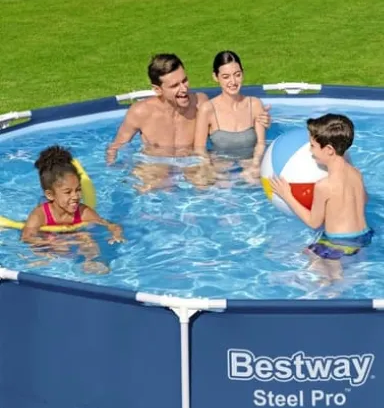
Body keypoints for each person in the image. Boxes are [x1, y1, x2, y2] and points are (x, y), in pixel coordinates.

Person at [106, 53, 271, 192]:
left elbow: (227, 122)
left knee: (211, 185)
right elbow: (116, 148)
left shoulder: (200, 103)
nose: (183, 89)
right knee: (151, 189)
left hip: (192, 163)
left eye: (184, 81)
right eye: (175, 86)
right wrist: (112, 172)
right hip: (156, 164)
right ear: (158, 89)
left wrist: (261, 120)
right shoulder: (140, 112)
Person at [270, 114, 373, 281]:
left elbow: (314, 222)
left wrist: (287, 195)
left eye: (312, 146)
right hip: (364, 237)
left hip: (337, 244)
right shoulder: (356, 173)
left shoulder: (324, 185)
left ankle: (331, 286)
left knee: (322, 276)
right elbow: (365, 199)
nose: (310, 151)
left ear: (329, 150)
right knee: (306, 252)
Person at [22, 146, 124, 272]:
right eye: (68, 192)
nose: (75, 196)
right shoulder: (40, 214)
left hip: (74, 236)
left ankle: (91, 261)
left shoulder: (83, 212)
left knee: (86, 237)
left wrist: (116, 234)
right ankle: (49, 262)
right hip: (51, 238)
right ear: (50, 195)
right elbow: (27, 237)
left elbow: (109, 224)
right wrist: (49, 243)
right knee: (39, 249)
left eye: (78, 190)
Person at [192, 51, 267, 186]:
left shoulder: (255, 104)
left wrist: (255, 164)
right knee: (203, 183)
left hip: (249, 161)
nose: (233, 82)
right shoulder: (207, 109)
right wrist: (208, 167)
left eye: (237, 75)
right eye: (226, 77)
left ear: (242, 73)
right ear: (216, 77)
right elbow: (199, 148)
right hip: (220, 163)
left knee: (255, 180)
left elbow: (261, 143)